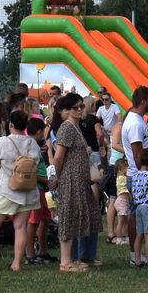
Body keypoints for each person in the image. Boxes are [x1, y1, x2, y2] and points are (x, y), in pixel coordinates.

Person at [0, 110, 39, 273]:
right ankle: (16, 263)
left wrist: (0, 175)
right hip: (28, 190)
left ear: (10, 125)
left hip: (6, 189)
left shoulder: (3, 142)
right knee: (20, 226)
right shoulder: (32, 143)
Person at [49, 94, 101, 272]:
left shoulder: (75, 127)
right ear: (66, 111)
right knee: (68, 217)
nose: (79, 109)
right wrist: (60, 175)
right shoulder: (67, 128)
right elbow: (58, 157)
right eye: (75, 107)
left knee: (80, 215)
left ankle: (73, 259)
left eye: (81, 106)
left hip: (79, 179)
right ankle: (66, 262)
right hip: (70, 179)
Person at [121, 86, 148, 167]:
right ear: (143, 102)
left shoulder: (133, 117)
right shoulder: (135, 124)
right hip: (139, 174)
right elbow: (137, 156)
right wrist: (142, 175)